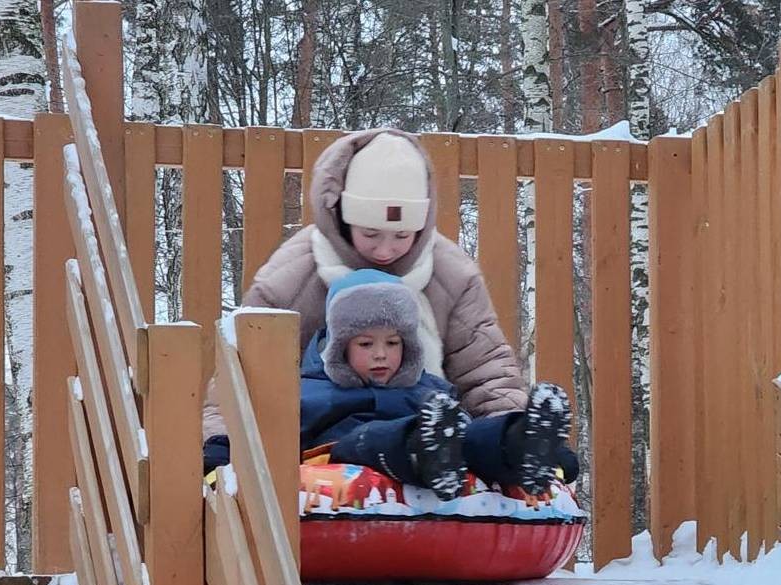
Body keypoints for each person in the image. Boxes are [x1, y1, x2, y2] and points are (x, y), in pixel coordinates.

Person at [203, 128, 528, 444]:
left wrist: (509, 434)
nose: (385, 251)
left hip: (431, 423)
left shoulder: (450, 274)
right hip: (322, 441)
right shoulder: (295, 276)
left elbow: (485, 370)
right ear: (344, 217)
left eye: (402, 235)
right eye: (371, 234)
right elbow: (243, 374)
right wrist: (221, 444)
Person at [252, 269, 579, 501]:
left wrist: (554, 455)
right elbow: (267, 431)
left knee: (470, 436)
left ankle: (523, 444)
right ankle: (425, 449)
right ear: (340, 346)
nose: (381, 355)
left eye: (393, 343)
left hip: (441, 439)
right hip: (346, 453)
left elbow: (465, 426)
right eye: (366, 344)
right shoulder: (311, 389)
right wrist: (220, 452)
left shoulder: (429, 389)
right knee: (369, 439)